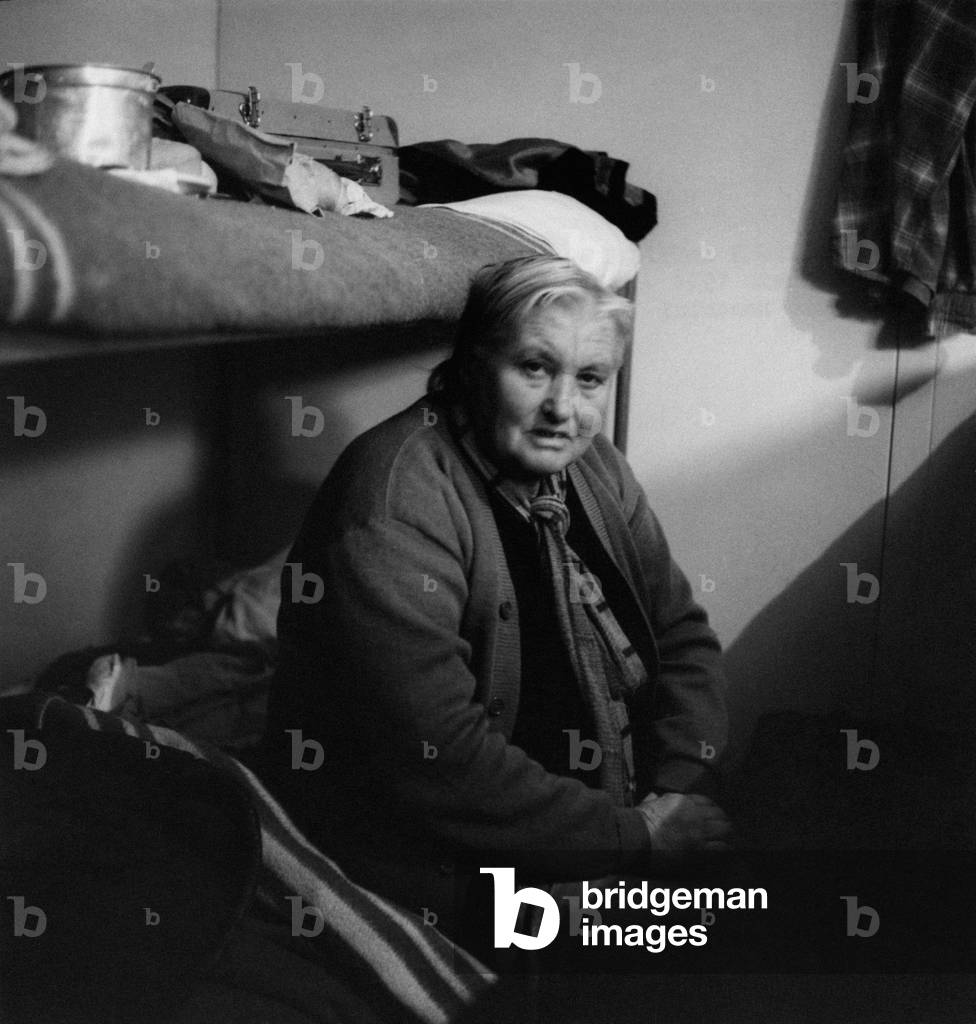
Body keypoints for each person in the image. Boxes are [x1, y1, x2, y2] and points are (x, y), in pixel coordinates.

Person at [261, 255, 731, 959]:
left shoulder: (594, 465)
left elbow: (681, 635)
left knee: (767, 913)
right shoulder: (395, 504)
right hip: (439, 864)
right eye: (534, 368)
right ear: (474, 365)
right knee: (684, 964)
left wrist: (676, 788)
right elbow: (439, 761)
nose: (562, 409)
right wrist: (638, 838)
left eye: (590, 379)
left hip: (608, 818)